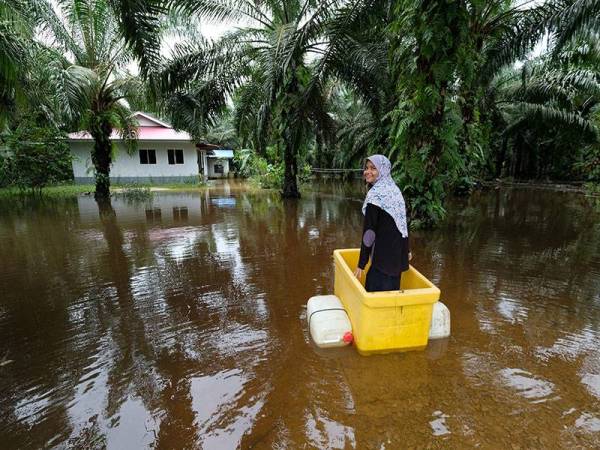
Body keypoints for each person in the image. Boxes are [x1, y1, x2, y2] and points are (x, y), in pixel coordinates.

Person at [353, 154, 410, 292]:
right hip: (397, 258)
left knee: (374, 294)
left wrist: (361, 263)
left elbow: (369, 233)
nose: (367, 171)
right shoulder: (395, 191)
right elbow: (404, 223)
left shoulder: (376, 195)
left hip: (382, 260)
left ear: (383, 170)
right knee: (392, 296)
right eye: (366, 168)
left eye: (373, 168)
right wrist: (407, 249)